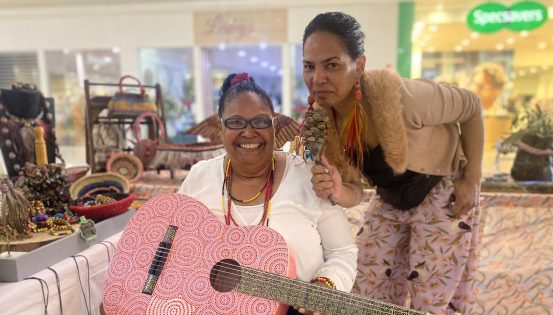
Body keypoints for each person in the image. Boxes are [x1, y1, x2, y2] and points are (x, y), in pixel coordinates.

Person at [301, 12, 484, 315]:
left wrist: (472, 178)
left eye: (331, 65)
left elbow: (472, 107)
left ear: (358, 65)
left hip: (441, 190)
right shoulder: (320, 123)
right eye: (309, 66)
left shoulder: (401, 97)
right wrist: (336, 188)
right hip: (390, 197)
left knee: (431, 296)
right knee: (367, 286)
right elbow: (354, 191)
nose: (317, 78)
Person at [177, 72, 358, 315]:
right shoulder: (199, 177)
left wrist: (326, 285)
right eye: (235, 122)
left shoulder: (311, 178)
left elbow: (342, 251)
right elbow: (170, 244)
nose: (249, 132)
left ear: (274, 126)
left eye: (261, 121)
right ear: (220, 126)